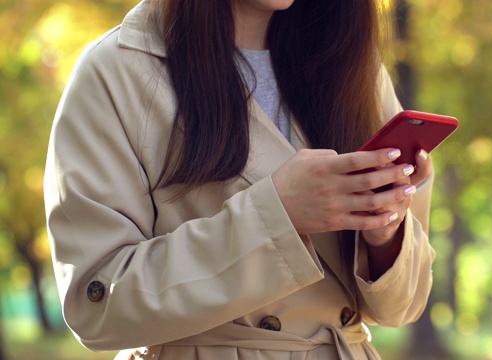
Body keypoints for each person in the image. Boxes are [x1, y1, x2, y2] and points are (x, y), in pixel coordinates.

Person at [43, 0, 436, 359]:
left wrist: (384, 233)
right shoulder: (117, 70)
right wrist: (277, 216)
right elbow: (96, 306)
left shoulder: (353, 63)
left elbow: (402, 306)